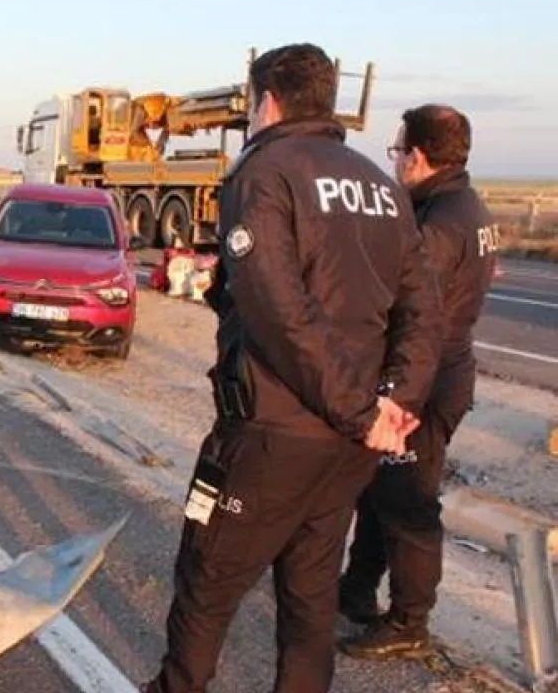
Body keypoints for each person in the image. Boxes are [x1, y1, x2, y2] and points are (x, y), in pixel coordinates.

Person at [143, 43, 441, 693]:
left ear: (268, 103)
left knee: (207, 581)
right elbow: (423, 312)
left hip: (274, 433)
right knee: (310, 598)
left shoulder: (265, 172)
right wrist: (395, 404)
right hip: (348, 446)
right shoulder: (380, 185)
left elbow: (282, 314)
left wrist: (363, 412)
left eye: (253, 105)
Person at [338, 105, 497, 659]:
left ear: (419, 156)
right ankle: (357, 590)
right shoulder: (464, 205)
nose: (395, 162)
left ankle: (410, 622)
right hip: (439, 372)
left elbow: (403, 305)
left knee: (408, 505)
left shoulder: (439, 224)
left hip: (424, 383)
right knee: (380, 491)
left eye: (398, 151)